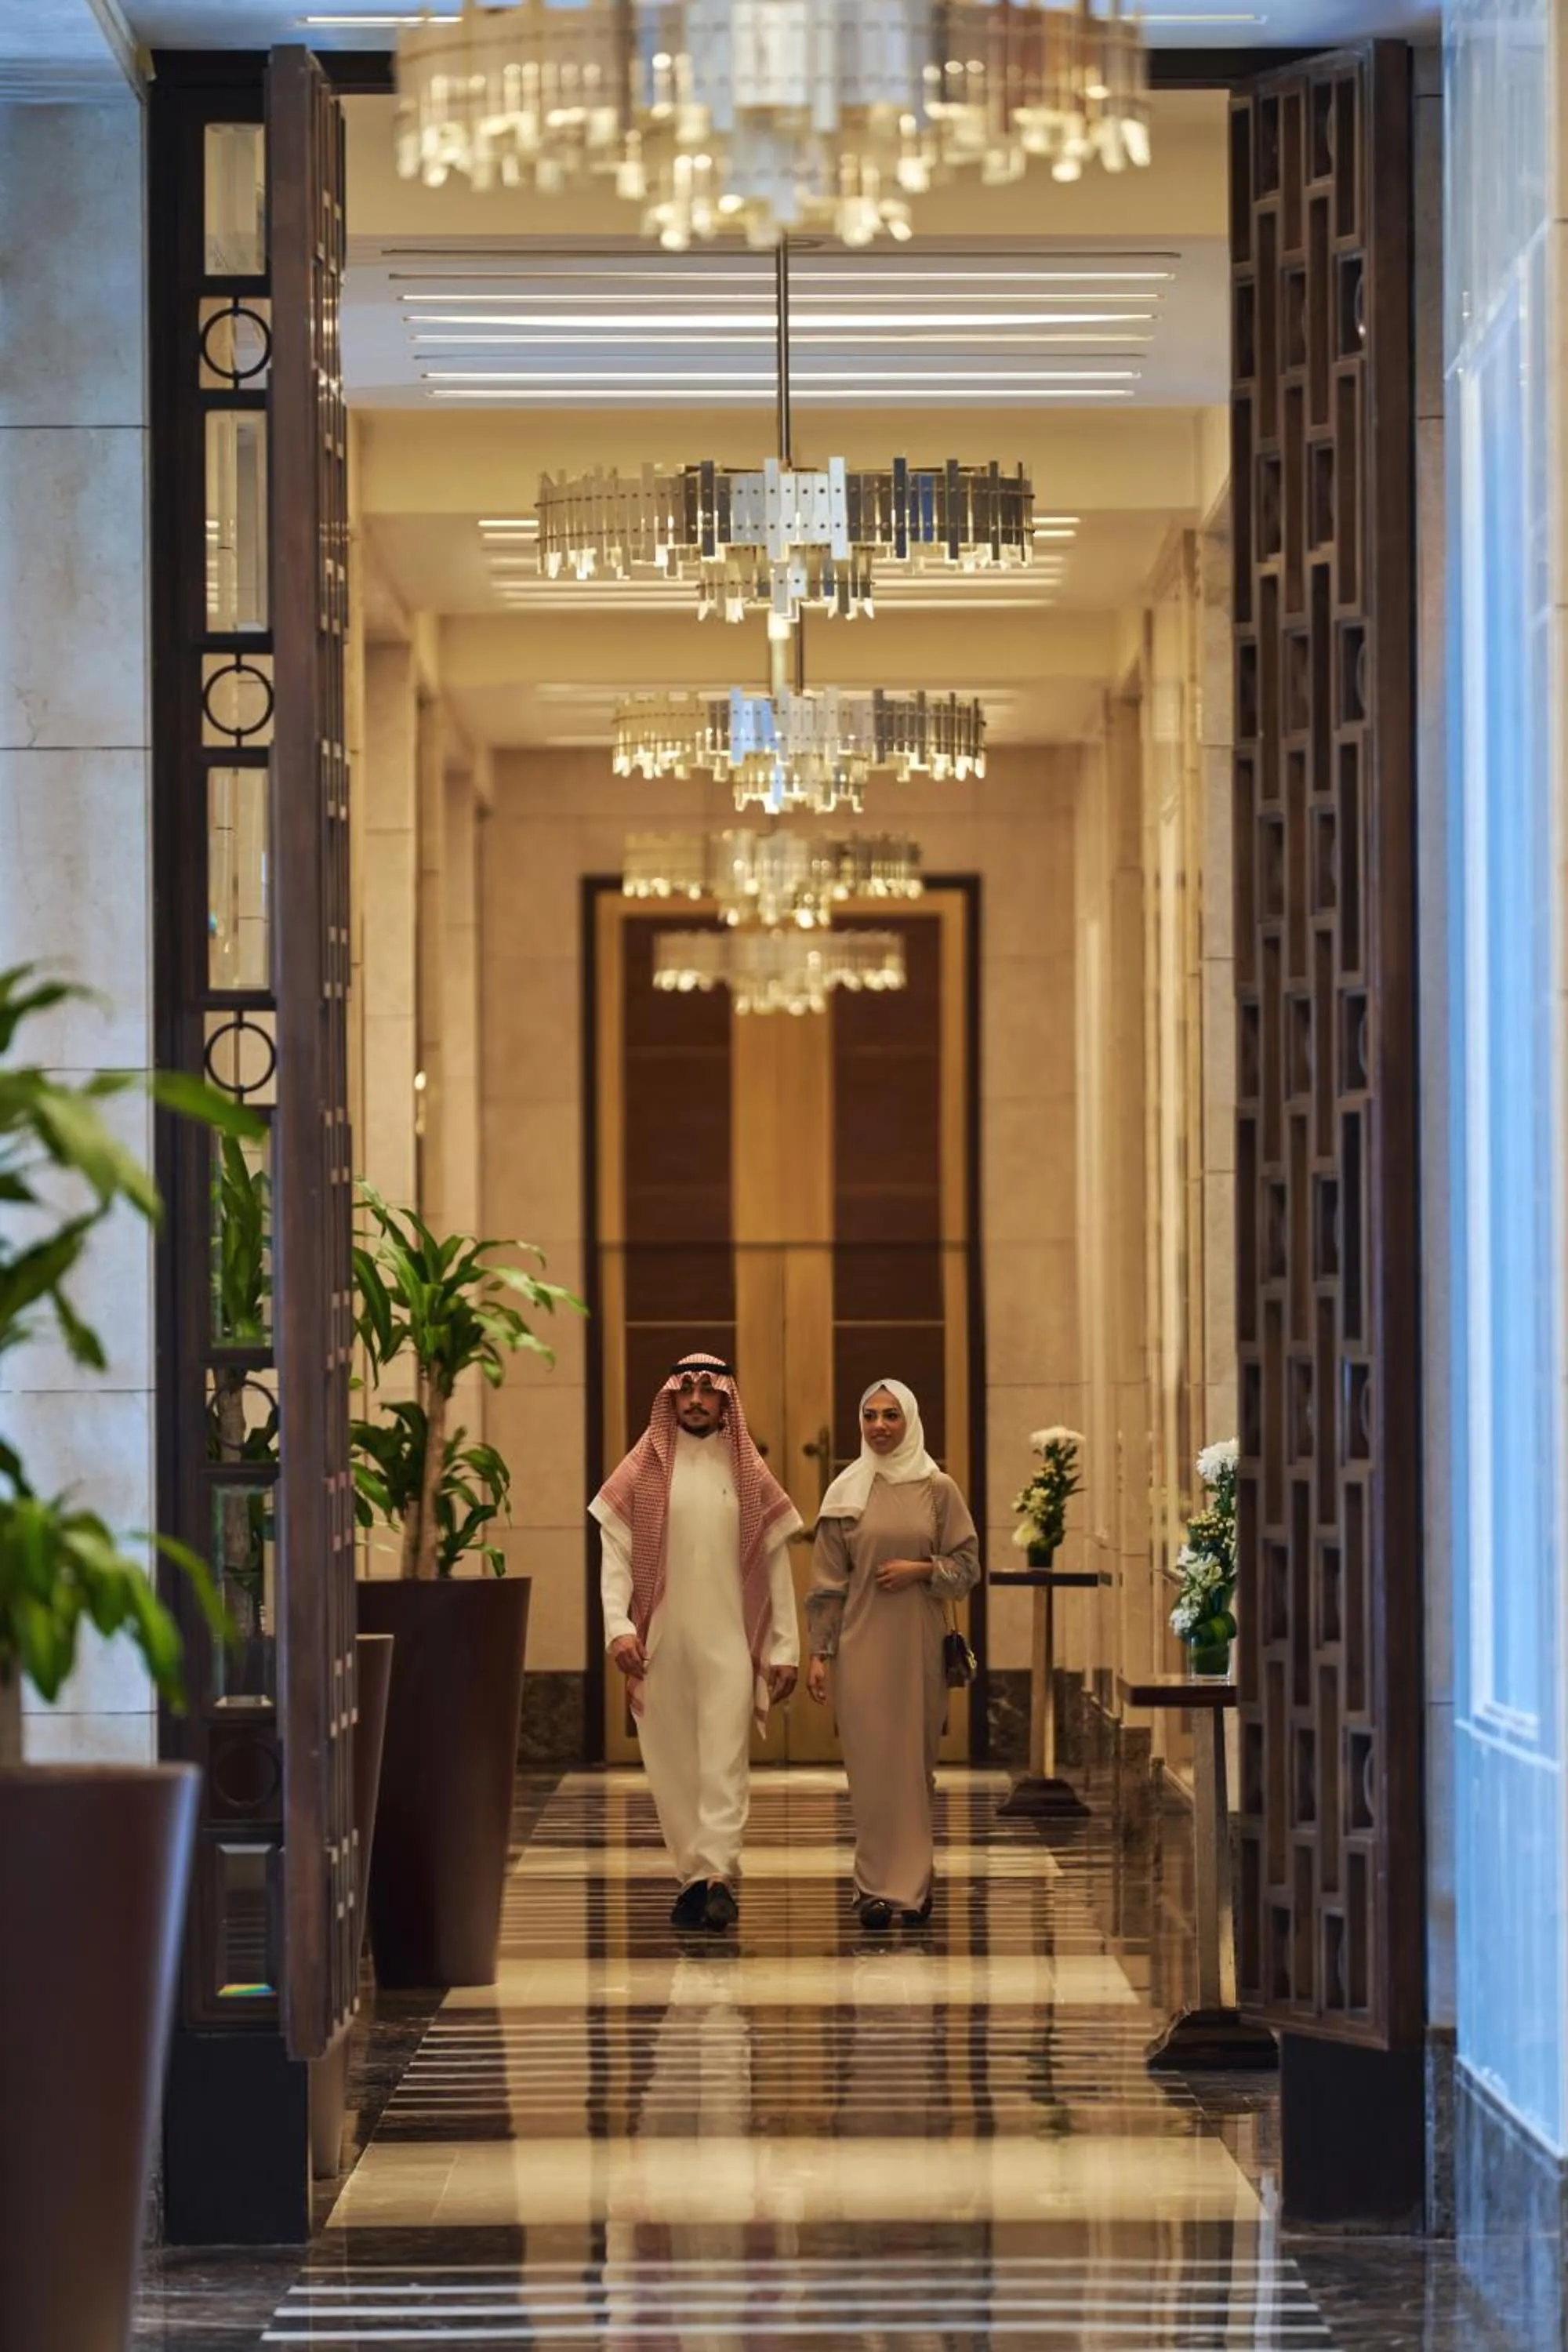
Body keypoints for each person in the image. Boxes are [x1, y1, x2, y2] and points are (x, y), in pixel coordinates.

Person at [592, 1352, 801, 1933]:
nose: (696, 1401)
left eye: (708, 1391)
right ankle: (692, 1877)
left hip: (729, 1641)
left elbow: (775, 1564)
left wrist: (784, 1647)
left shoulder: (748, 1473)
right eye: (686, 1391)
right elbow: (615, 1558)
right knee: (672, 1765)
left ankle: (718, 1876)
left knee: (724, 1761)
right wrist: (618, 1628)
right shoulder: (641, 1471)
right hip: (660, 1643)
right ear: (671, 1398)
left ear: (725, 1399)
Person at [805, 1379, 980, 1932]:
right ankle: (874, 1889)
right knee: (871, 1770)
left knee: (912, 1765)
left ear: (910, 1420)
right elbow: (827, 1585)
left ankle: (914, 1886)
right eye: (870, 1416)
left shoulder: (938, 1489)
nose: (879, 1426)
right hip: (859, 1649)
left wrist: (922, 1570)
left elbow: (968, 1568)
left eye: (891, 1415)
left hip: (917, 1648)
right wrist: (819, 1653)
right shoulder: (844, 1494)